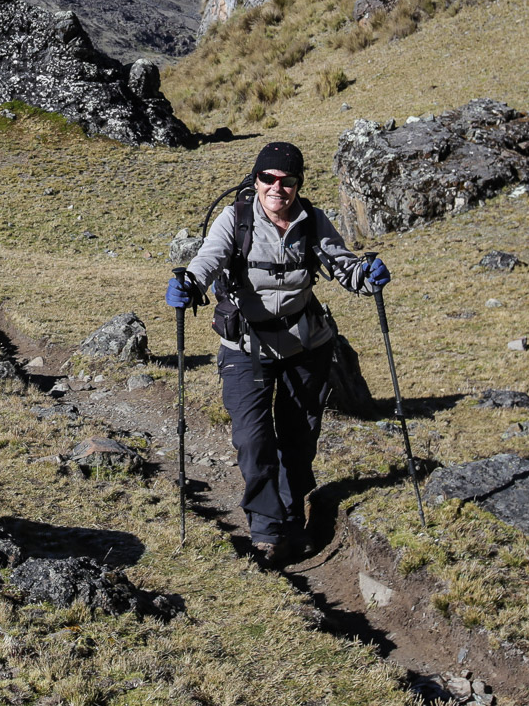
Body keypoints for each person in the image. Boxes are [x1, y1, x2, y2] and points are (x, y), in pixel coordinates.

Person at [165, 140, 390, 564]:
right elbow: (209, 259)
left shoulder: (313, 221)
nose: (277, 188)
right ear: (257, 180)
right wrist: (190, 284)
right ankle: (266, 531)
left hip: (307, 347)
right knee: (253, 439)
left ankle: (290, 520)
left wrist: (368, 274)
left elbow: (344, 267)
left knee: (299, 440)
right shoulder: (235, 219)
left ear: (298, 185)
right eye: (268, 178)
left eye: (287, 181)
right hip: (245, 347)